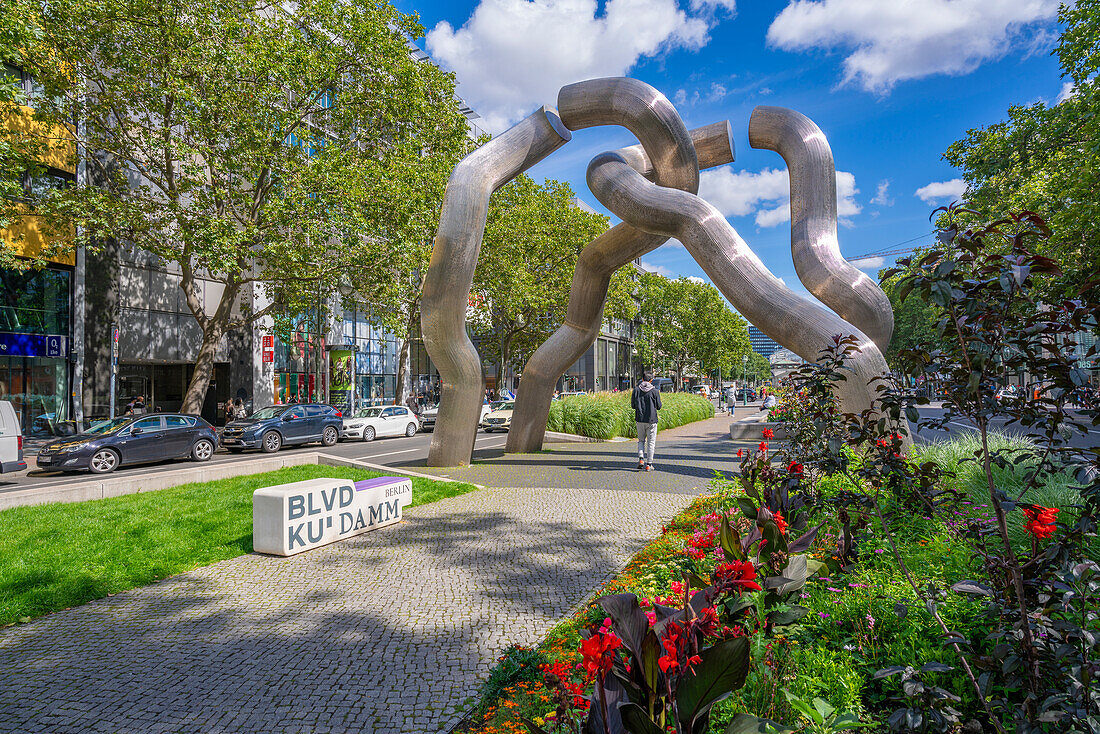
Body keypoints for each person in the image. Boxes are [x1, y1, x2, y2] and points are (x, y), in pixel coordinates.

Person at [631, 370, 662, 472]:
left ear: (642, 379)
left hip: (639, 419)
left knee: (641, 440)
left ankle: (641, 459)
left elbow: (633, 406)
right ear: (651, 380)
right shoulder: (655, 391)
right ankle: (649, 464)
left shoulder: (636, 390)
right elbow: (659, 406)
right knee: (651, 442)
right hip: (652, 420)